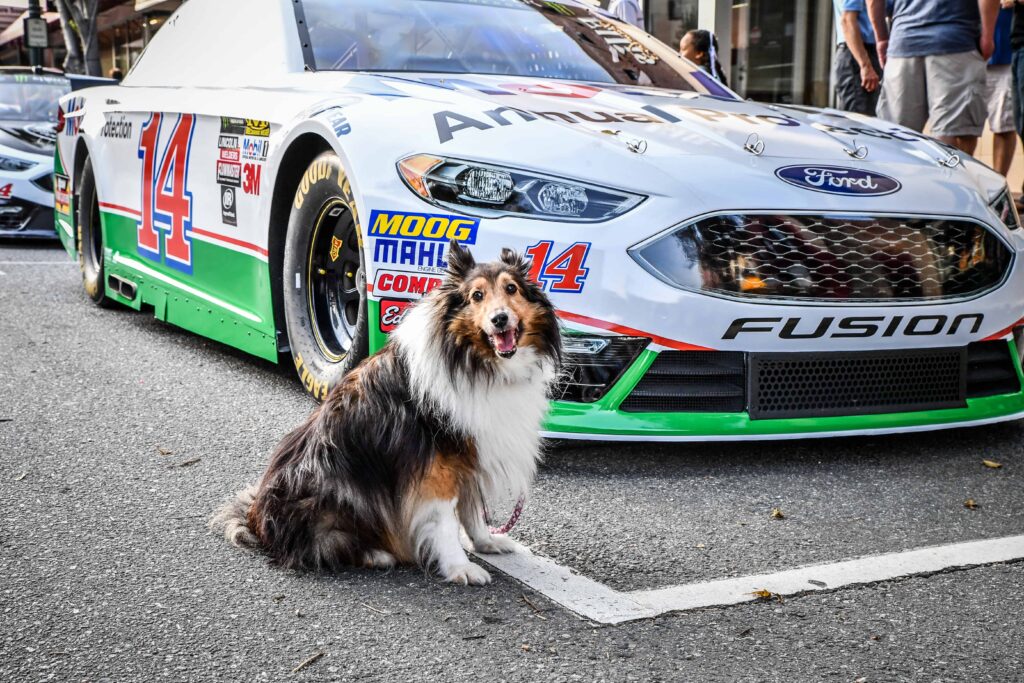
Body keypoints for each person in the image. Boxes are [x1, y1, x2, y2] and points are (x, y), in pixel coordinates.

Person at [867, 0, 999, 155]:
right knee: (953, 136)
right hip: (956, 42)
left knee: (896, 136)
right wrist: (988, 36)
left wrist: (882, 38)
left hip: (903, 45)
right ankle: (949, 179)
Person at [832, 0, 882, 114]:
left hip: (865, 53)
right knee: (858, 118)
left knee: (868, 119)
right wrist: (865, 65)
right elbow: (847, 20)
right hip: (858, 54)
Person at [987, 6, 1017, 176]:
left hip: (1005, 52)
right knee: (959, 130)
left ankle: (997, 187)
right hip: (961, 53)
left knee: (1003, 124)